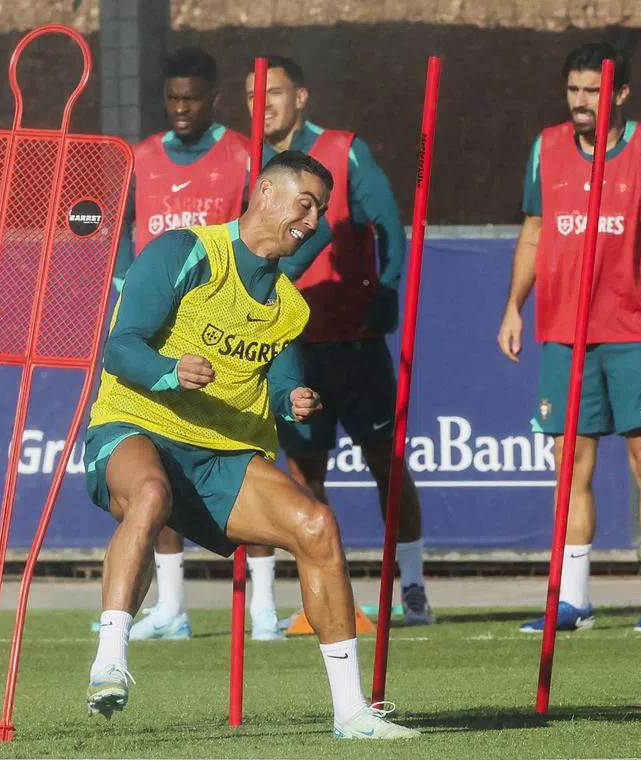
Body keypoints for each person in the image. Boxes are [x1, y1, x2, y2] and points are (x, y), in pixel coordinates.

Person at [83, 150, 420, 740]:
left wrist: (294, 399)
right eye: (305, 204)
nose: (312, 221)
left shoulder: (289, 306)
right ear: (265, 191)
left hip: (224, 454)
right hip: (138, 423)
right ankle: (110, 659)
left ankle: (352, 713)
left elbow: (284, 377)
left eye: (319, 210)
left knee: (317, 525)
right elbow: (121, 345)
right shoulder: (186, 252)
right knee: (152, 495)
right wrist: (168, 371)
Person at [497, 42, 641, 633]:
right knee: (571, 466)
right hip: (565, 335)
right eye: (573, 90)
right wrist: (514, 307)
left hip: (639, 330)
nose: (580, 102)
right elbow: (534, 229)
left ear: (620, 93)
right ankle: (572, 599)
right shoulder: (546, 149)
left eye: (592, 92)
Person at [244, 55, 435, 630]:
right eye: (253, 96)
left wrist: (389, 287)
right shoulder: (249, 162)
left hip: (354, 339)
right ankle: (320, 601)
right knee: (302, 472)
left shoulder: (344, 150)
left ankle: (417, 588)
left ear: (301, 98)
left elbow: (389, 226)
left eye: (274, 92)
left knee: (386, 460)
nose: (264, 105)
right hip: (292, 344)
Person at [118, 46, 283, 643]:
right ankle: (171, 607)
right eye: (172, 98)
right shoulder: (139, 159)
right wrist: (122, 286)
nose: (181, 107)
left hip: (225, 329)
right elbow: (119, 232)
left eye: (192, 97)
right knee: (161, 457)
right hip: (160, 330)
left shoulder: (242, 156)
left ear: (212, 97)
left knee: (246, 457)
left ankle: (262, 606)